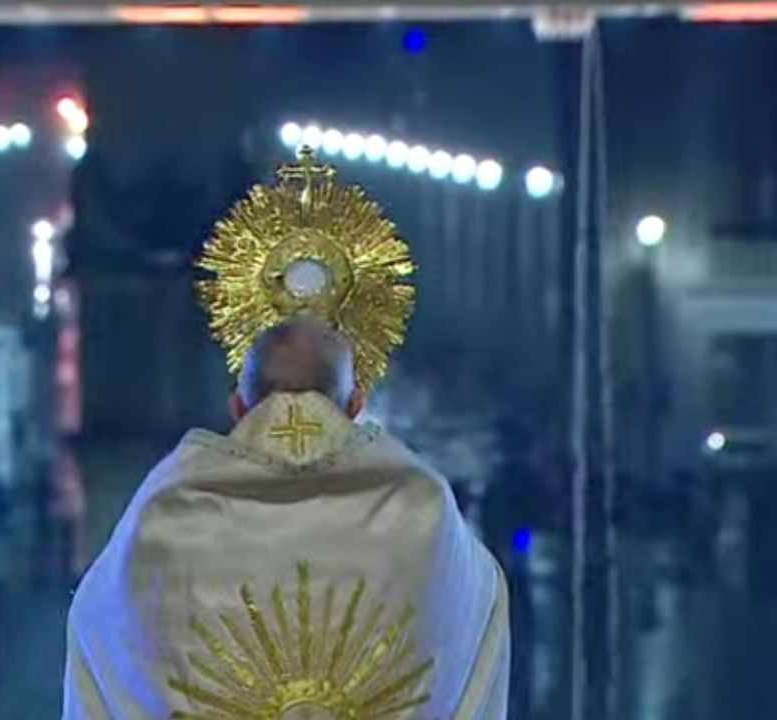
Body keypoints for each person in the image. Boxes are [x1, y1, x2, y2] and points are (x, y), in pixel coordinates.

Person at [63, 150, 508, 718]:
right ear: (354, 404)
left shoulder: (167, 515)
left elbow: (100, 640)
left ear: (238, 404)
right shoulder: (421, 511)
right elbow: (478, 622)